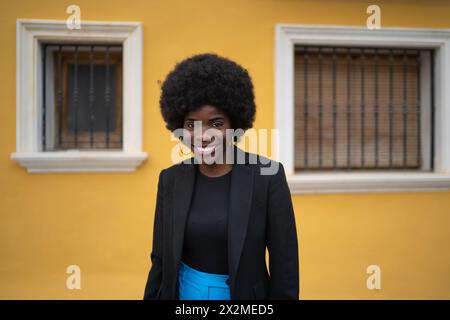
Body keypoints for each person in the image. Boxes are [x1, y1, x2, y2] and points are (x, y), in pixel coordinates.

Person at [143, 53, 299, 300]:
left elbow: (285, 267)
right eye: (192, 124)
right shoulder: (170, 180)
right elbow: (160, 261)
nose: (203, 135)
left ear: (234, 124)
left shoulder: (267, 177)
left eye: (215, 123)